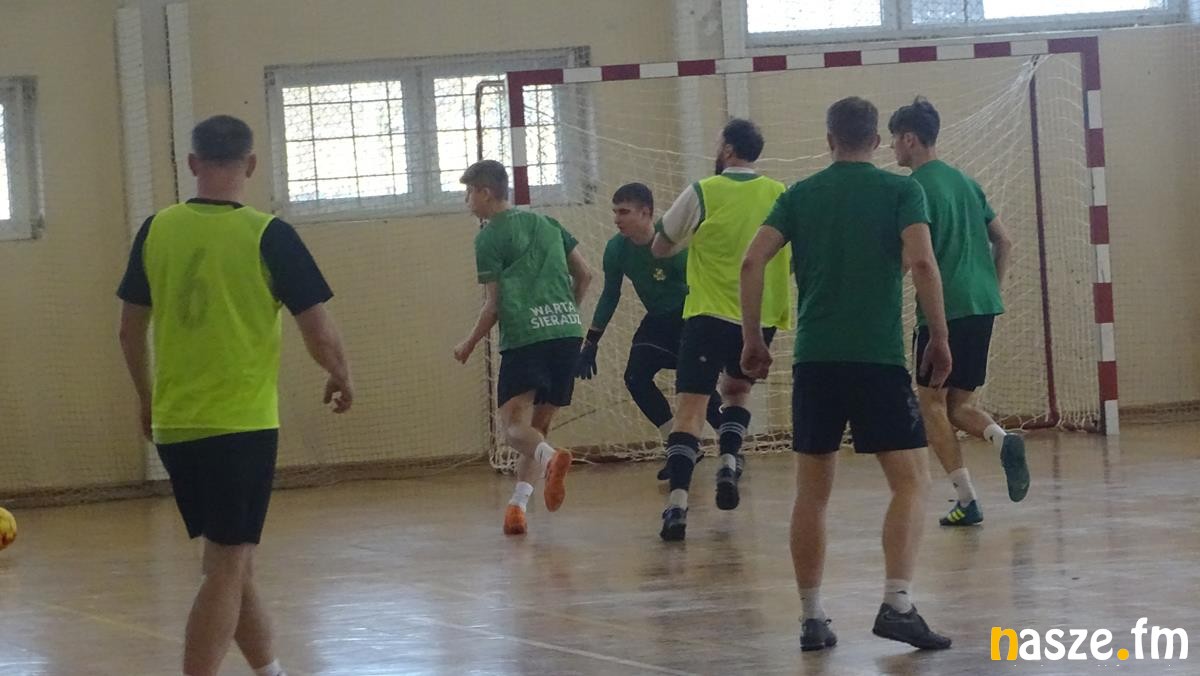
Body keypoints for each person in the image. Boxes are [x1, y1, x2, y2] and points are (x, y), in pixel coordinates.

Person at [118, 115, 353, 676]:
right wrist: (342, 374)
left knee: (234, 561)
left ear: (192, 163)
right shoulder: (269, 234)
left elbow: (129, 330)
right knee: (226, 567)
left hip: (176, 425)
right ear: (250, 164)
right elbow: (318, 330)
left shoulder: (155, 229)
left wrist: (146, 399)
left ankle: (270, 671)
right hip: (240, 428)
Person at [740, 97, 953, 650]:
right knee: (912, 481)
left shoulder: (799, 195)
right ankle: (897, 604)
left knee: (812, 494)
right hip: (877, 359)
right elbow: (922, 263)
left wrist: (752, 338)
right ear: (877, 142)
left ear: (829, 139)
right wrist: (939, 336)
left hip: (816, 361)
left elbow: (752, 261)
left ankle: (811, 618)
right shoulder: (902, 191)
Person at [889, 97, 1029, 526]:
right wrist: (989, 289)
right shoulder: (966, 182)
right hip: (982, 304)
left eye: (894, 139)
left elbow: (911, 258)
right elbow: (1004, 240)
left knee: (930, 402)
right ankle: (1001, 439)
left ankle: (967, 500)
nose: (892, 148)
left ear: (909, 139)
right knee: (958, 404)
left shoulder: (913, 189)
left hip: (943, 310)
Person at [650, 118, 792, 541]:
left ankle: (677, 505)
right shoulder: (780, 193)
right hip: (760, 316)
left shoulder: (703, 191)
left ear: (728, 149)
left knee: (691, 408)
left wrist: (688, 241)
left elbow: (660, 246)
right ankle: (729, 461)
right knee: (736, 391)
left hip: (709, 313)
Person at [452, 159, 592, 536]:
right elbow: (585, 275)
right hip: (566, 333)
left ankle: (550, 459)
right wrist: (565, 314)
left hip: (526, 338)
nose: (467, 201)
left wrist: (468, 343)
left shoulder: (488, 238)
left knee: (514, 428)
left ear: (485, 193)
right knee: (537, 428)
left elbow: (494, 306)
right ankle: (518, 506)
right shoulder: (548, 224)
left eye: (469, 193)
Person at [575, 183, 722, 478]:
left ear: (646, 213)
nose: (617, 219)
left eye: (624, 212)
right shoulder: (616, 249)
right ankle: (678, 447)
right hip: (657, 320)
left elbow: (700, 287)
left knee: (695, 384)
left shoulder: (673, 244)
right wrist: (591, 341)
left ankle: (730, 443)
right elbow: (610, 294)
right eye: (615, 212)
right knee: (635, 377)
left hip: (690, 316)